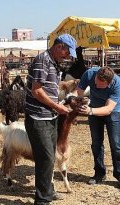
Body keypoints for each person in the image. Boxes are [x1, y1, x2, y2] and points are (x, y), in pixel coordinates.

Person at [25, 33, 77, 205]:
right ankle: (42, 200)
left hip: (49, 116)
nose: (68, 57)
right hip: (39, 117)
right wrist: (57, 107)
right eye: (67, 53)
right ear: (60, 46)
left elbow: (48, 90)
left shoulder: (54, 63)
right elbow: (37, 91)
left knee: (49, 157)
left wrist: (60, 105)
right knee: (45, 157)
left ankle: (48, 191)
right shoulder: (43, 61)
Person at [77, 66, 120, 190]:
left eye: (101, 85)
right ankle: (99, 173)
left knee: (116, 143)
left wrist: (90, 111)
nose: (96, 86)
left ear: (109, 83)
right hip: (93, 109)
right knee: (96, 143)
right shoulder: (89, 74)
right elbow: (78, 91)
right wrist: (77, 102)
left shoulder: (117, 84)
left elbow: (109, 108)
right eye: (96, 82)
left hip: (111, 112)